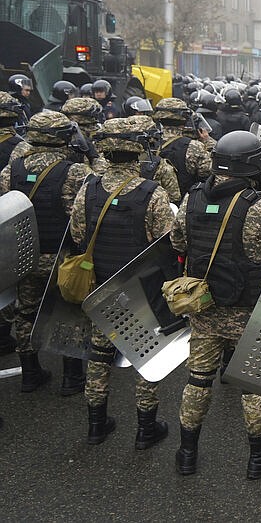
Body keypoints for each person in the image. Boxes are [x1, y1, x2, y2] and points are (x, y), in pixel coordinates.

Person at [170, 130, 261, 479]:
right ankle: (259, 457)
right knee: (252, 385)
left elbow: (177, 239)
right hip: (248, 313)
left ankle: (186, 453)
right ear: (253, 164)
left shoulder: (192, 197)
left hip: (205, 309)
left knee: (197, 380)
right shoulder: (260, 206)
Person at [70, 116, 175, 447]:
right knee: (146, 356)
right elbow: (169, 243)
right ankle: (146, 429)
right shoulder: (152, 193)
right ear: (137, 152)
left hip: (101, 287)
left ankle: (96, 425)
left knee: (99, 357)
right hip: (142, 290)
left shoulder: (87, 188)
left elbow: (76, 234)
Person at [0, 111, 93, 393]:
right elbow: (84, 214)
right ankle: (72, 378)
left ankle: (30, 373)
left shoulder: (11, 169)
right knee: (69, 312)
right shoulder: (76, 171)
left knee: (25, 312)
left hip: (24, 254)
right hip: (61, 257)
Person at [152, 97, 213, 199]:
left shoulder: (148, 141)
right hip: (183, 203)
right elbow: (208, 173)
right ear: (184, 117)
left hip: (148, 201)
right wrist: (208, 142)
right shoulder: (194, 146)